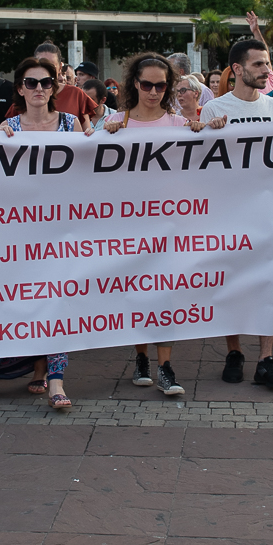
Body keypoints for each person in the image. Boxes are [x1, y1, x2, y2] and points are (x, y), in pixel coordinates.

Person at [199, 38, 273, 388]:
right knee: (231, 283)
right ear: (237, 69)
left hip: (267, 212)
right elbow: (203, 165)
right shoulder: (214, 109)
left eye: (267, 64)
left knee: (268, 283)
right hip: (228, 213)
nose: (266, 70)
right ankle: (234, 351)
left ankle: (266, 357)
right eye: (259, 64)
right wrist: (208, 133)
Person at [0, 55, 84, 409]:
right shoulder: (9, 126)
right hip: (22, 231)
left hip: (63, 228)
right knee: (29, 300)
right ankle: (36, 368)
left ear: (54, 86)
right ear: (20, 88)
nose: (39, 89)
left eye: (46, 82)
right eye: (31, 83)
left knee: (58, 301)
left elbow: (90, 168)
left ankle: (56, 379)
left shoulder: (71, 123)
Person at [102, 53, 194, 396]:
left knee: (165, 297)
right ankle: (141, 357)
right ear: (134, 84)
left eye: (161, 86)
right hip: (127, 228)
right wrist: (103, 134)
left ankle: (165, 367)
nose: (154, 92)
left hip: (169, 228)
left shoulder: (180, 125)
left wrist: (211, 130)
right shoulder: (115, 122)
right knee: (136, 295)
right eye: (147, 85)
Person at [7, 43, 99, 125]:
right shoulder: (25, 97)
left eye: (51, 66)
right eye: (41, 64)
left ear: (60, 67)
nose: (45, 69)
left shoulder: (76, 94)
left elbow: (85, 133)